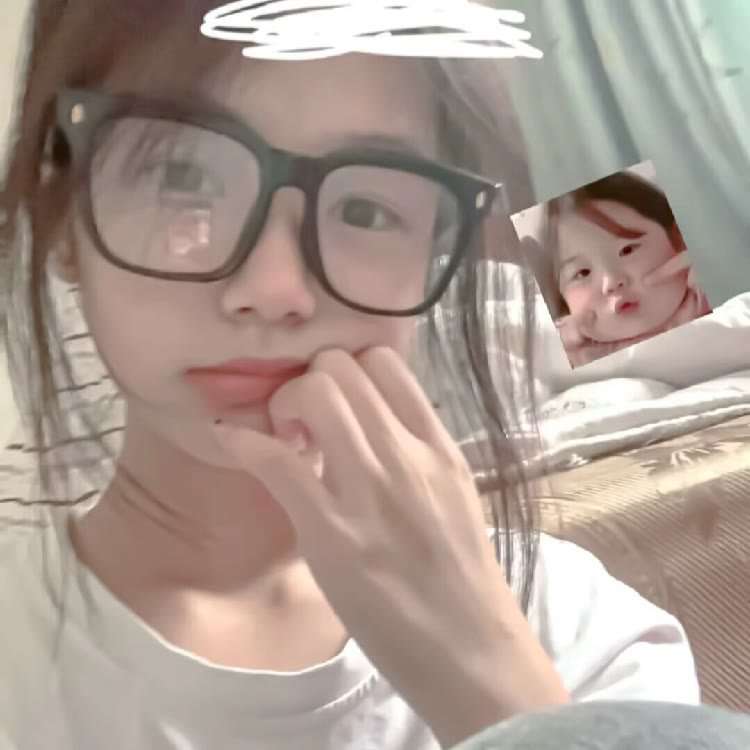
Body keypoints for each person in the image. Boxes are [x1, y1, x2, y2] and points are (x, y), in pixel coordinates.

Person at [0, 2, 700, 749]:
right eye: (181, 175)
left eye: (365, 209)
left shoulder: (590, 641)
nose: (275, 287)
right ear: (61, 220)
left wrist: (493, 686)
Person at [548, 172, 712, 368]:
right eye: (582, 273)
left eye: (627, 250)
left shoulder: (707, 296)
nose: (611, 282)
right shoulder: (570, 353)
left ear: (678, 238)